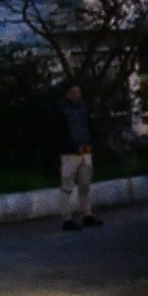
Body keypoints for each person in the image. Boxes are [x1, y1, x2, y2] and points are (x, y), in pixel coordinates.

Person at [53, 83, 102, 231]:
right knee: (67, 186)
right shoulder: (62, 110)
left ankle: (87, 214)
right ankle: (67, 219)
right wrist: (70, 146)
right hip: (70, 152)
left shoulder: (82, 107)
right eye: (74, 93)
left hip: (84, 149)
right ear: (67, 94)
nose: (77, 96)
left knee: (85, 184)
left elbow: (88, 125)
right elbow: (59, 131)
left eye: (78, 93)